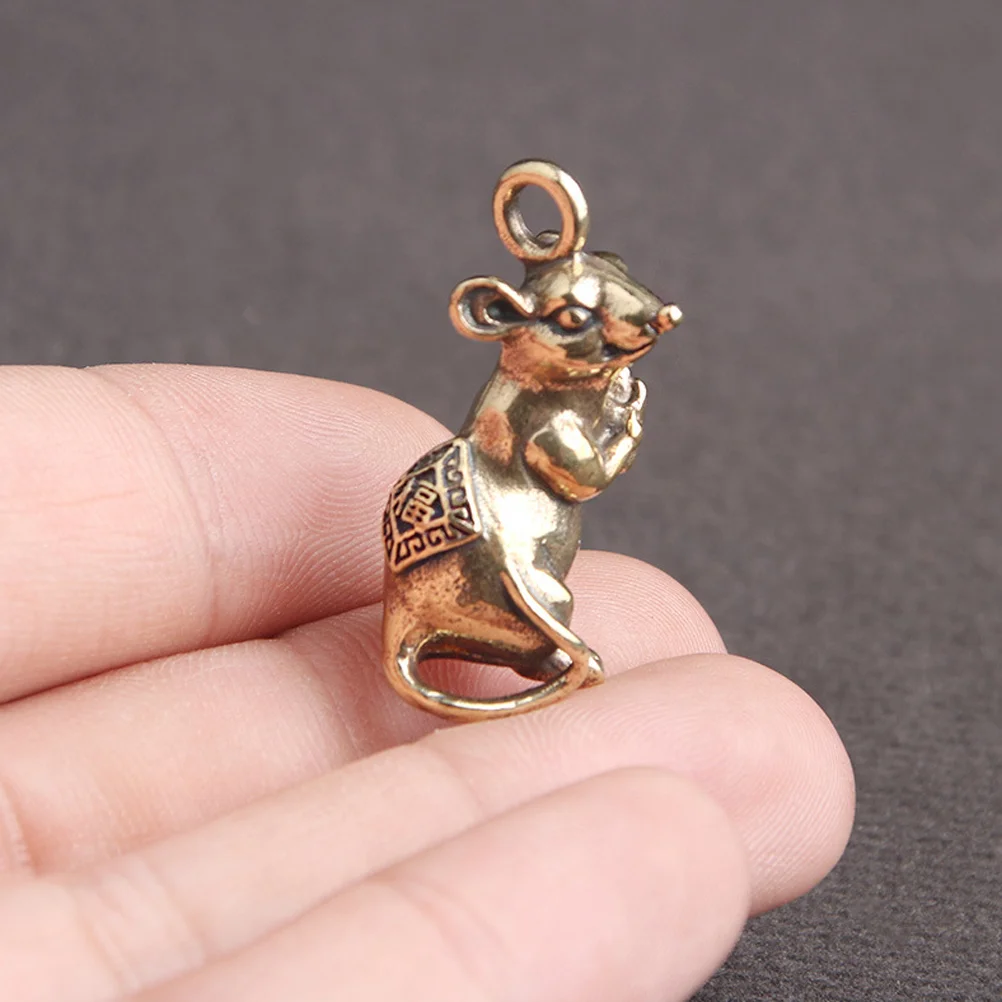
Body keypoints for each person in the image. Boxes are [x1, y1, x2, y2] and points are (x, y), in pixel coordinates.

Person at [0, 363, 855, 1001]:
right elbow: (582, 475)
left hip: (452, 596)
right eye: (583, 330)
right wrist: (625, 428)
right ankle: (537, 646)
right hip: (497, 591)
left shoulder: (512, 401)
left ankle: (530, 643)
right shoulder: (539, 418)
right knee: (560, 616)